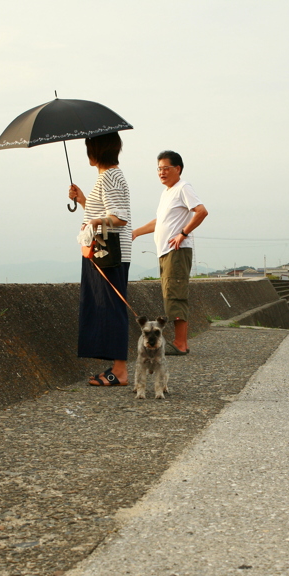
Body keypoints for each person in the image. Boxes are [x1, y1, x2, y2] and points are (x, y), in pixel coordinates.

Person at [68, 132, 132, 386]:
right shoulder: (106, 177)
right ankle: (116, 367)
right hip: (102, 252)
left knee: (111, 308)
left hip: (109, 254)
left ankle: (120, 371)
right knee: (105, 307)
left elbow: (119, 218)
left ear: (96, 150)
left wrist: (94, 221)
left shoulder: (111, 176)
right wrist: (83, 200)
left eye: (89, 147)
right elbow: (106, 212)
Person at [132, 150, 208, 355]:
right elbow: (160, 222)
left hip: (177, 250)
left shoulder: (184, 187)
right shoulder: (167, 193)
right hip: (166, 252)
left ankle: (181, 344)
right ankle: (179, 342)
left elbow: (201, 211)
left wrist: (182, 233)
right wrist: (136, 232)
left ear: (178, 169)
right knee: (169, 296)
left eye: (166, 168)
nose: (161, 172)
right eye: (159, 169)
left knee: (176, 295)